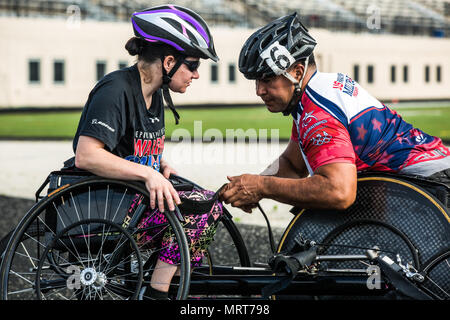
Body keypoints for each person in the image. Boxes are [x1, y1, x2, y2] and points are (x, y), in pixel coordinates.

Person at [220, 13, 450, 213]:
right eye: (257, 81)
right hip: (429, 176)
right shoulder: (319, 90)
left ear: (297, 72)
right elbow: (293, 164)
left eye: (268, 79)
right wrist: (250, 187)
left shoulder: (317, 113)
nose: (259, 90)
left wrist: (262, 186)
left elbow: (338, 192)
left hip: (430, 186)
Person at [72, 5, 219, 299]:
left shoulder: (152, 95)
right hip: (105, 212)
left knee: (209, 202)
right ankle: (157, 293)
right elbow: (86, 155)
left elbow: (132, 147)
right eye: (193, 65)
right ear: (168, 61)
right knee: (201, 208)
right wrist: (148, 173)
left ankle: (183, 285)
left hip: (131, 205)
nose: (197, 75)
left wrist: (160, 164)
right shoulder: (116, 88)